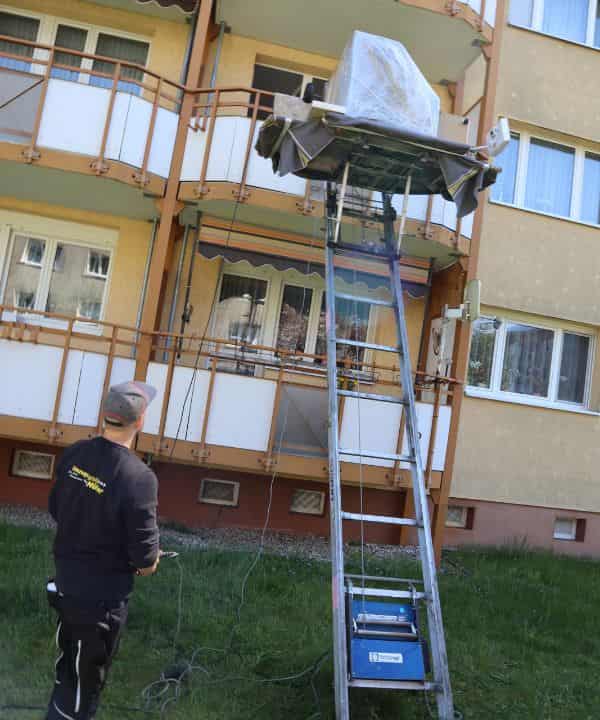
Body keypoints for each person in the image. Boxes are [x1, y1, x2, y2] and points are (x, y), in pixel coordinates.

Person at [46, 381, 160, 720]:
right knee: (83, 690)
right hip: (99, 605)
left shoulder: (75, 453)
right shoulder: (139, 478)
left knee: (68, 668)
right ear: (140, 422)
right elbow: (145, 561)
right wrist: (150, 559)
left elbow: (57, 508)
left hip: (66, 586)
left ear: (106, 416)